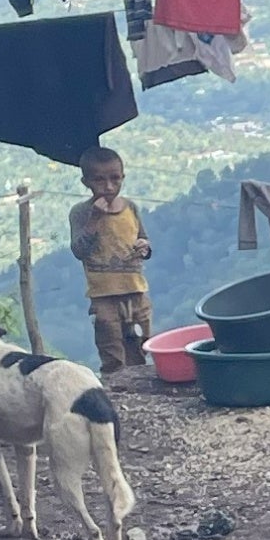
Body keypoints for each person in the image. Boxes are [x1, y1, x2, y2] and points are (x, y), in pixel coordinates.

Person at [69, 147, 153, 376]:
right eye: (99, 180)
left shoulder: (130, 208)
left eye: (115, 178)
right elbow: (79, 250)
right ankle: (115, 386)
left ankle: (140, 384)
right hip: (103, 295)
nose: (108, 186)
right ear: (86, 182)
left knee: (140, 343)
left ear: (123, 177)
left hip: (135, 290)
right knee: (111, 347)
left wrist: (144, 247)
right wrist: (94, 219)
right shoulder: (80, 212)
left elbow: (142, 238)